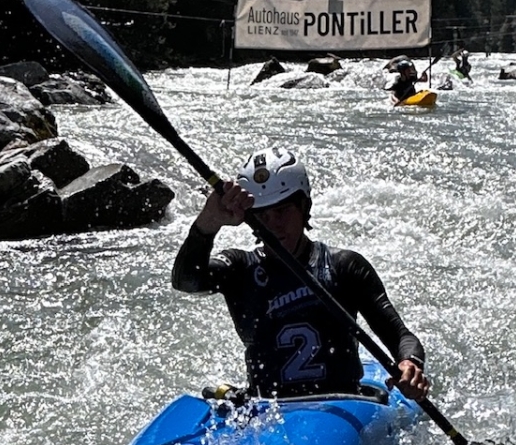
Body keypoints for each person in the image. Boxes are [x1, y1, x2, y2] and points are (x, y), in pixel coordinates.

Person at [171, 146, 430, 402]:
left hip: (341, 407)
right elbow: (186, 281)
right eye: (263, 215)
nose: (274, 225)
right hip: (268, 412)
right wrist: (209, 221)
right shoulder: (240, 268)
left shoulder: (344, 266)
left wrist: (409, 362)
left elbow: (401, 336)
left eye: (282, 211)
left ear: (304, 206)